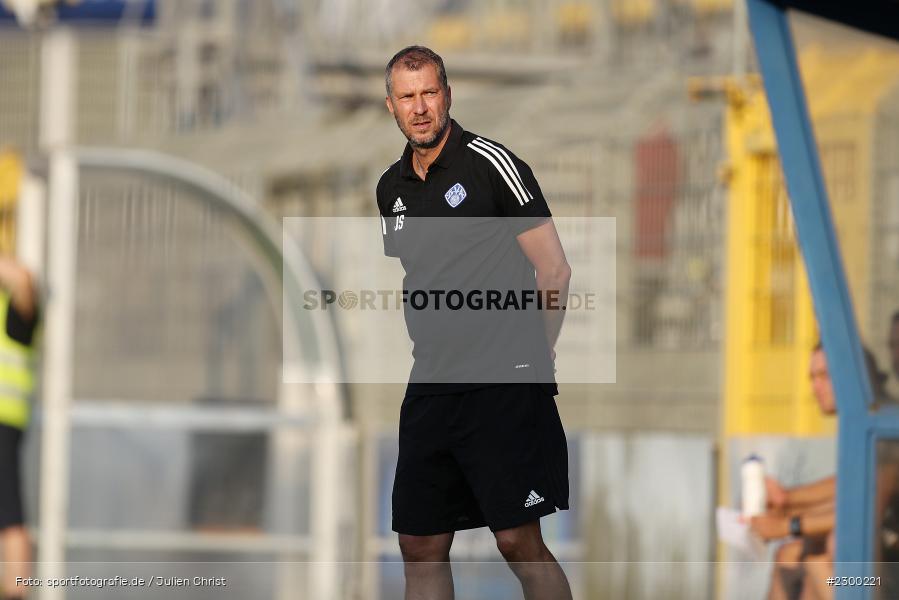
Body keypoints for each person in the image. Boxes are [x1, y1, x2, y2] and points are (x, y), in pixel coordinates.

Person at [377, 46, 573, 600]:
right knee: (419, 544)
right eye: (407, 96)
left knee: (516, 540)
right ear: (391, 105)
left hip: (502, 379)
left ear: (448, 95)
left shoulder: (491, 164)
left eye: (429, 93)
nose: (420, 108)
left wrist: (538, 353)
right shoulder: (391, 188)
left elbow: (555, 269)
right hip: (432, 382)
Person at [751, 343, 890, 600]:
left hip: (885, 576)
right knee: (790, 555)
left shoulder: (886, 429)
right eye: (812, 378)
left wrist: (787, 524)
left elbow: (863, 509)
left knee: (819, 552)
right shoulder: (865, 425)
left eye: (825, 375)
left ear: (854, 374)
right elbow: (848, 488)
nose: (816, 386)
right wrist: (786, 502)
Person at [0, 256, 38, 600]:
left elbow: (22, 280)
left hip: (3, 423)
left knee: (10, 515)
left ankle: (16, 592)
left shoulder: (14, 310)